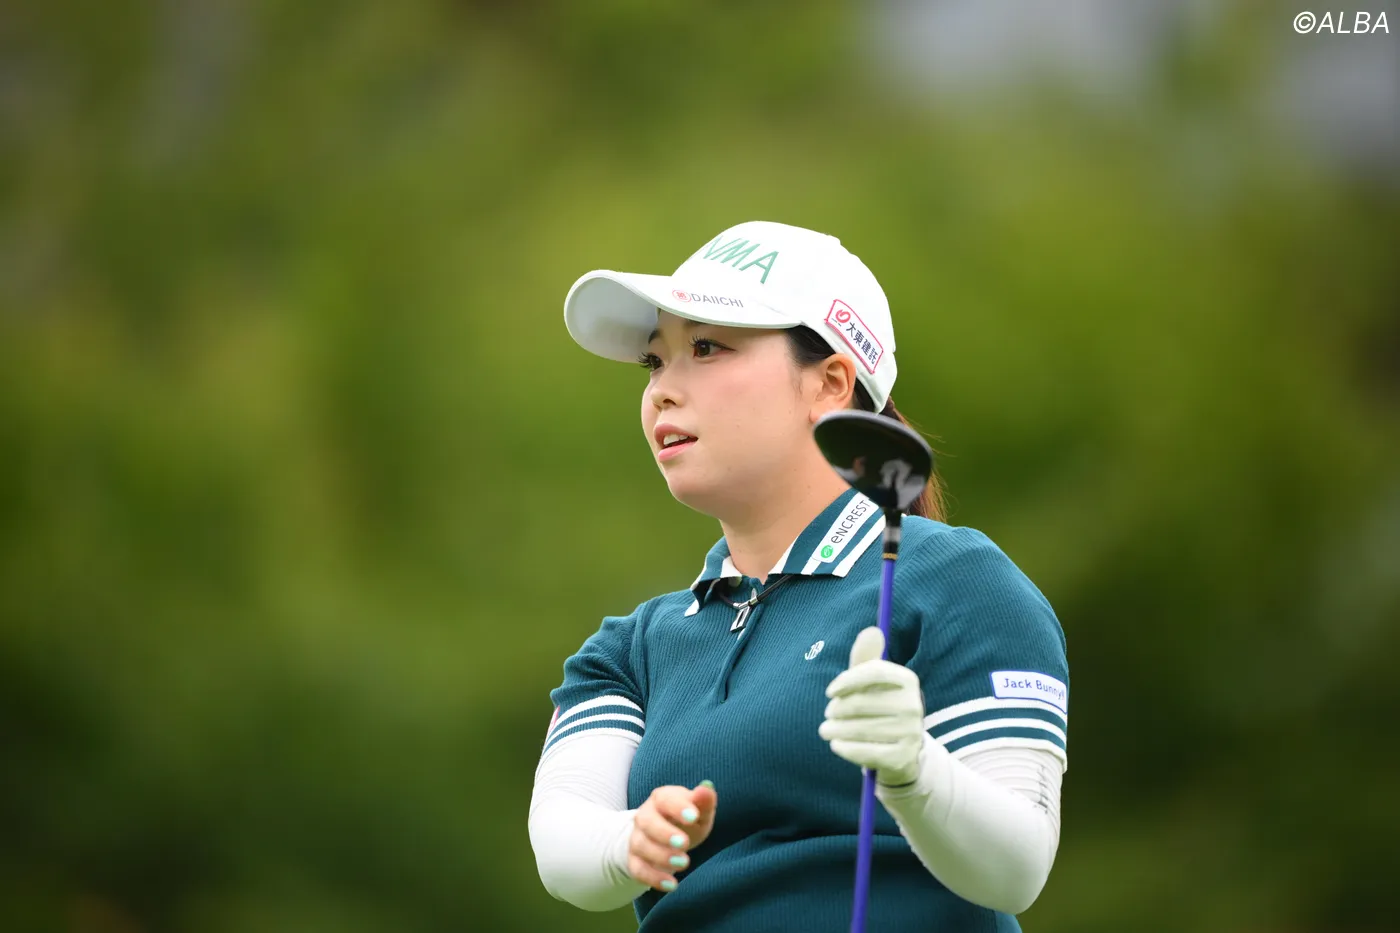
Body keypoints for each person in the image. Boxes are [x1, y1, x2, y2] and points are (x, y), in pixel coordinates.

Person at [529, 221, 1069, 932]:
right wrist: (632, 838)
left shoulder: (956, 580)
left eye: (707, 348)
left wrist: (913, 767)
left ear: (830, 383)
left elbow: (1017, 868)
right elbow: (563, 842)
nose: (662, 390)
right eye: (654, 361)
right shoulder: (632, 647)